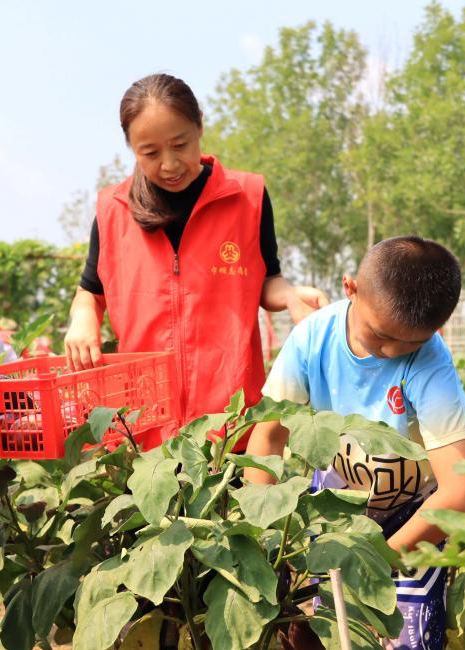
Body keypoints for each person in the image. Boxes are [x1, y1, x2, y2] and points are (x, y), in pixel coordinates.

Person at [244, 236, 465, 650]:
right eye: (382, 335)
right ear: (350, 288)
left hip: (414, 514)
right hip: (337, 508)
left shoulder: (430, 361)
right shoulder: (311, 339)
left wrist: (380, 560)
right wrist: (262, 536)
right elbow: (269, 436)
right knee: (340, 641)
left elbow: (461, 493)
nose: (392, 352)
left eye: (410, 343)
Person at [63, 73, 327, 448]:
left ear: (199, 125)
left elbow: (267, 278)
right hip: (141, 430)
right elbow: (90, 292)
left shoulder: (246, 197)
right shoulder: (113, 210)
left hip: (229, 427)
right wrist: (83, 319)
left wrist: (289, 295)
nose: (169, 164)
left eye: (180, 145)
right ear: (131, 147)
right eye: (150, 153)